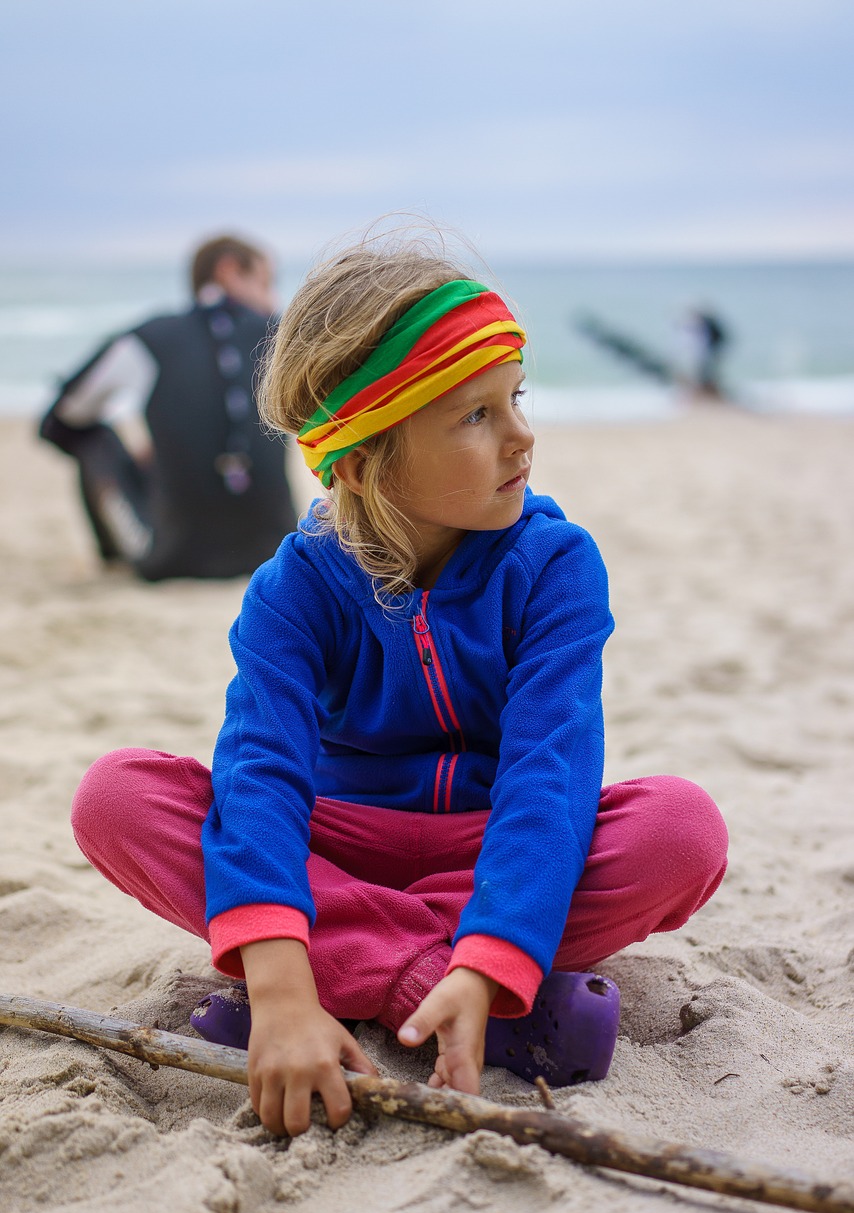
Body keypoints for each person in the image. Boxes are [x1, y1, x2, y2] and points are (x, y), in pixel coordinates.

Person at [70, 233, 728, 1139]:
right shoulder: (294, 590)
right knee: (119, 797)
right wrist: (282, 983)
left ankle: (360, 983)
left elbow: (552, 773)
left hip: (492, 848)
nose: (522, 436)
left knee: (678, 829)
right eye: (475, 416)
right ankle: (434, 996)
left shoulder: (554, 566)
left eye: (516, 399)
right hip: (334, 849)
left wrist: (484, 948)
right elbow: (261, 772)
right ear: (364, 458)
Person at [38, 234, 299, 580]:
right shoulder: (283, 335)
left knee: (93, 437)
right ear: (229, 271)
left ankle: (115, 554)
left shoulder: (151, 338)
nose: (273, 299)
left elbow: (60, 420)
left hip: (171, 557)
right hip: (277, 552)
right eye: (266, 283)